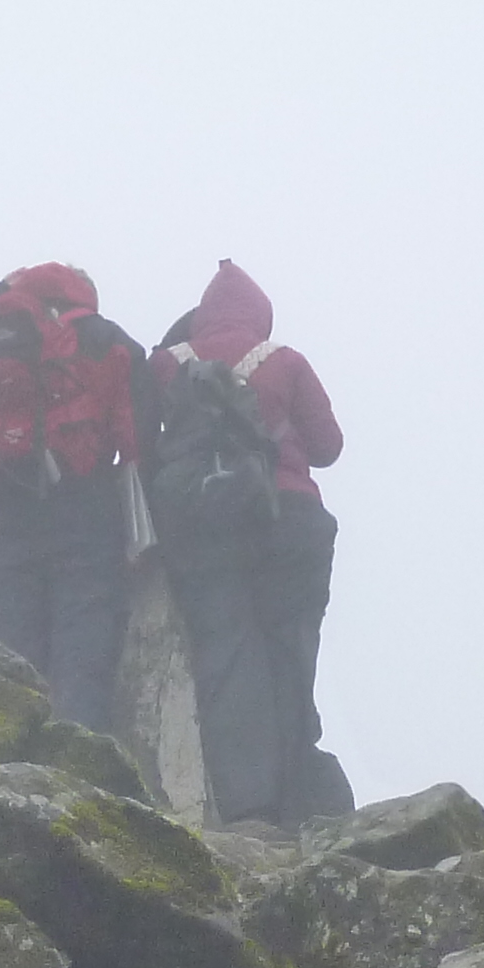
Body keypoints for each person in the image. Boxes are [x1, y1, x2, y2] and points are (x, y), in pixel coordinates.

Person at [140, 258, 346, 825]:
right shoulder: (284, 361)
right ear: (260, 315)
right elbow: (328, 447)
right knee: (291, 654)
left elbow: (139, 443)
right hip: (289, 519)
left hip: (203, 525)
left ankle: (248, 805)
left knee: (228, 658)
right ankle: (304, 800)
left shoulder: (167, 364)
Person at [0, 263, 144, 726]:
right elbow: (138, 434)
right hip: (84, 508)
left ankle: (3, 777)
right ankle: (78, 773)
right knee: (82, 652)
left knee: (2, 654)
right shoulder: (101, 338)